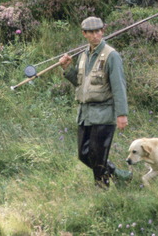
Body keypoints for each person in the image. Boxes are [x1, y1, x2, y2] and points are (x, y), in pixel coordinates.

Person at [59, 16, 131, 188]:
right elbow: (79, 82)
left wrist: (122, 114)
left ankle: (102, 191)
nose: (95, 35)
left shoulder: (111, 56)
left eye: (98, 31)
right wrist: (67, 68)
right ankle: (120, 175)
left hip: (104, 114)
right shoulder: (84, 55)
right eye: (91, 32)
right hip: (85, 114)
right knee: (83, 155)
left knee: (98, 157)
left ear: (103, 31)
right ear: (84, 34)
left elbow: (119, 87)